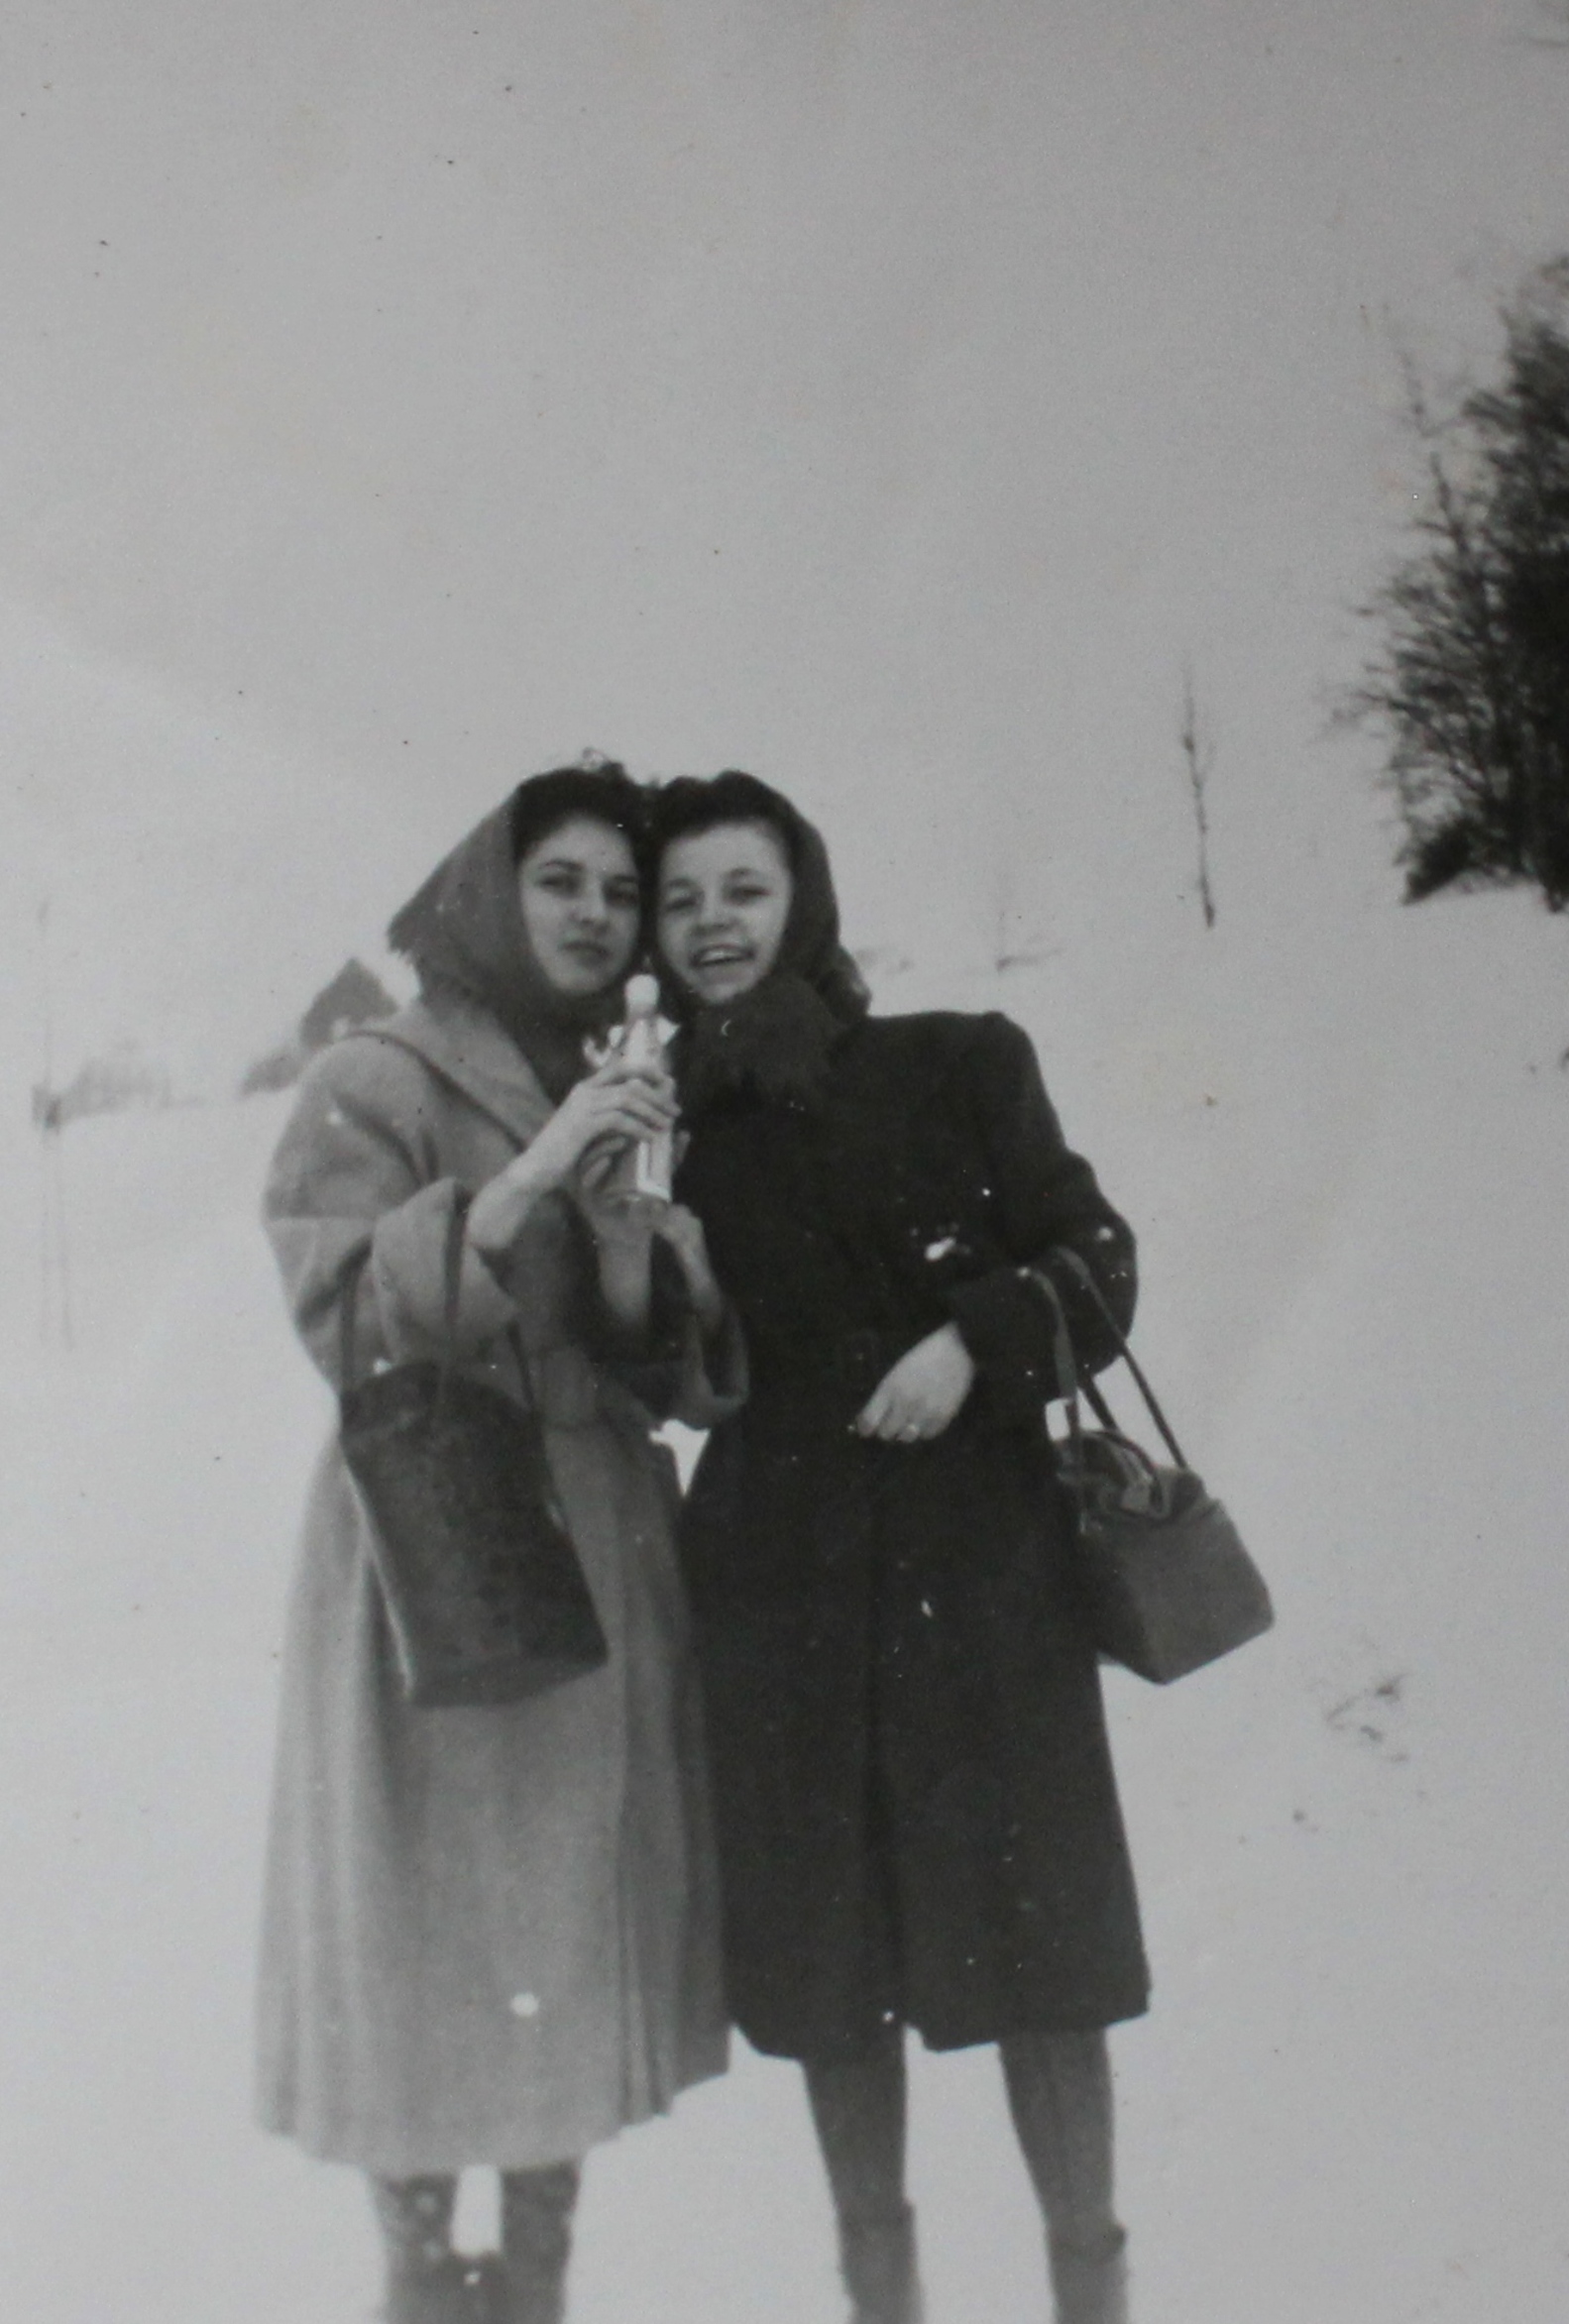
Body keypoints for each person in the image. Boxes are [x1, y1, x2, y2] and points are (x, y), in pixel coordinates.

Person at [649, 770, 1147, 2324]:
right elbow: (674, 1369)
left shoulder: (957, 1062)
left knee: (1041, 1956)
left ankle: (1091, 2292)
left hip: (978, 1580)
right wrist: (665, 1259)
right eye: (682, 900)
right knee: (835, 1968)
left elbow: (1099, 1258)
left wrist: (971, 1343)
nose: (713, 923)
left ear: (803, 897)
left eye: (743, 888)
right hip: (782, 1596)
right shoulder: (671, 1130)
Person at [257, 763, 738, 2324]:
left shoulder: (632, 1071)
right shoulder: (375, 1074)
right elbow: (344, 1317)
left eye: (619, 891)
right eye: (561, 882)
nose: (596, 914)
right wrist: (529, 1176)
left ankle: (534, 2286)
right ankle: (417, 2281)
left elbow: (654, 1366)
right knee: (423, 1941)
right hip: (433, 1541)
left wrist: (635, 1252)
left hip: (590, 1536)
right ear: (489, 891)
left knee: (559, 1948)